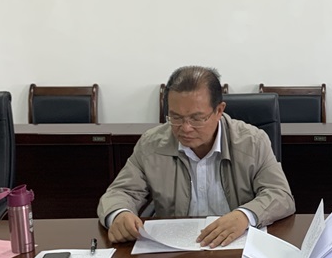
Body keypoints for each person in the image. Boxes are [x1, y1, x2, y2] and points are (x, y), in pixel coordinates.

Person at [98, 65, 295, 246]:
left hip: (235, 246)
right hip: (174, 250)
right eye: (176, 117)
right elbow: (120, 192)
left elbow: (280, 195)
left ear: (219, 111)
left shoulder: (252, 142)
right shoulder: (151, 145)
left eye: (197, 118)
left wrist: (245, 215)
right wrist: (119, 214)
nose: (185, 128)